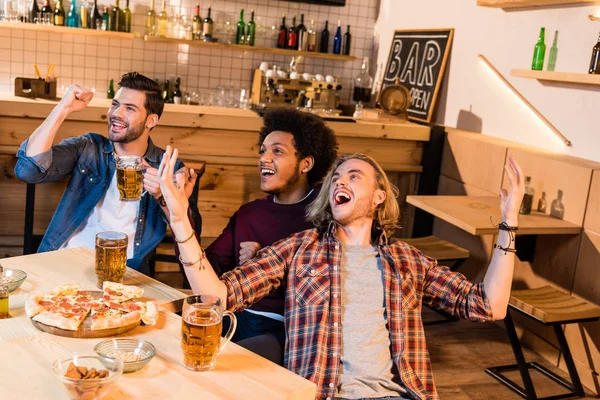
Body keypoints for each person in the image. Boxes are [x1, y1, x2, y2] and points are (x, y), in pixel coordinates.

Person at [158, 149, 525, 400]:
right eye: (335, 178)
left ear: (379, 197)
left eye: (353, 176)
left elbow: (489, 306)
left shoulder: (407, 260)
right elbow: (216, 296)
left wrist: (509, 223)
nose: (339, 183)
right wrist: (179, 220)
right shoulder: (299, 248)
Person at [14, 72, 201, 275]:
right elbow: (28, 171)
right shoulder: (89, 148)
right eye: (115, 104)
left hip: (125, 272)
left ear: (151, 120)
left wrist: (164, 197)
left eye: (129, 108)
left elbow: (191, 237)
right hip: (66, 262)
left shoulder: (168, 168)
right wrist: (62, 108)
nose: (116, 113)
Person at [205, 108, 338, 364]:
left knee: (225, 365)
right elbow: (208, 272)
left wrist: (263, 263)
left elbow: (330, 285)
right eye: (263, 151)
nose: (264, 158)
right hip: (234, 317)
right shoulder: (249, 213)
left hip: (286, 329)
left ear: (306, 164)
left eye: (277, 151)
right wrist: (178, 212)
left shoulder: (325, 215)